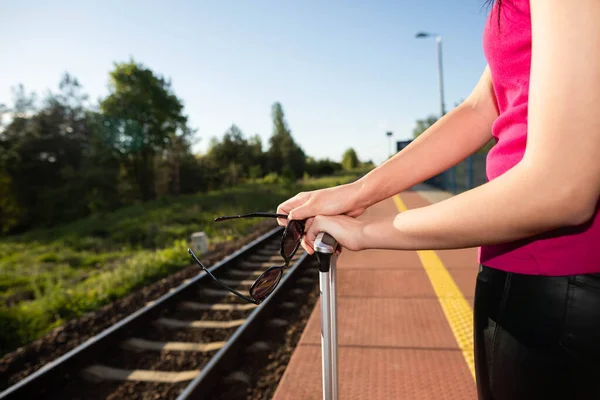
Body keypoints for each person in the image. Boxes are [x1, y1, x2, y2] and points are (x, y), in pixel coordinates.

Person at [277, 1, 600, 399]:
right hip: (531, 283)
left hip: (566, 290)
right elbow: (482, 106)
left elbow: (561, 187)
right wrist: (358, 192)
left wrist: (366, 232)